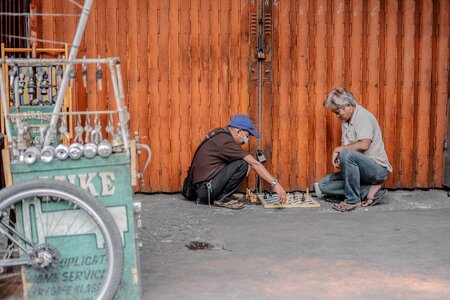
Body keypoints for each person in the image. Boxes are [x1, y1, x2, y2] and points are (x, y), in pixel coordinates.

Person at [188, 114, 287, 209]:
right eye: (247, 136)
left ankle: (219, 196)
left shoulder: (220, 134)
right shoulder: (226, 142)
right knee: (242, 164)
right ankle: (221, 199)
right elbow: (255, 164)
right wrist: (275, 184)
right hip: (205, 191)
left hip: (199, 189)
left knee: (243, 161)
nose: (245, 141)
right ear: (239, 131)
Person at [318, 88, 392, 212]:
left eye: (338, 111)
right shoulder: (345, 121)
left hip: (377, 171)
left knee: (346, 153)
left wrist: (339, 150)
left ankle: (353, 200)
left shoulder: (363, 117)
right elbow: (351, 153)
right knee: (323, 185)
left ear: (349, 106)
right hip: (362, 173)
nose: (337, 115)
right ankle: (368, 190)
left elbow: (364, 145)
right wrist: (341, 160)